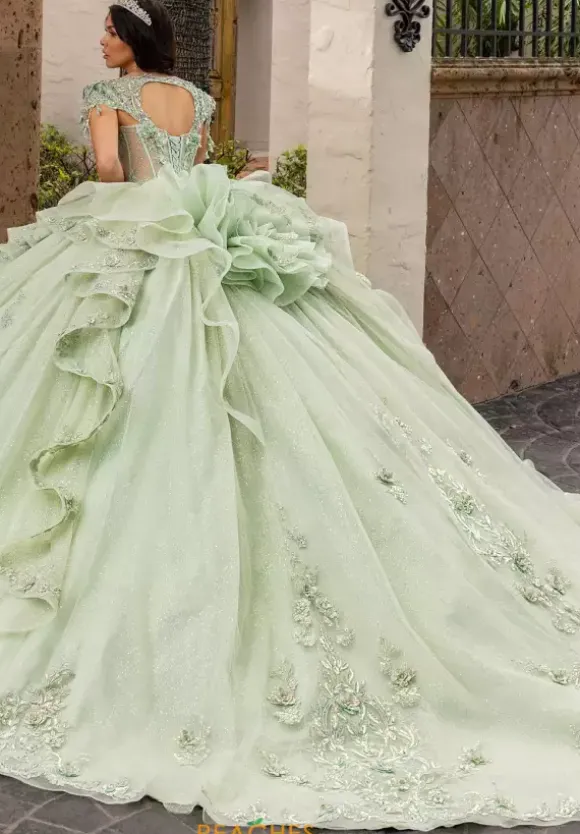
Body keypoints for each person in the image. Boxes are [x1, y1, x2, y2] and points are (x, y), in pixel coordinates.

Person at [1, 0, 580, 827]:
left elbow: (109, 175)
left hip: (144, 249)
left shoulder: (109, 96)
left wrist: (108, 193)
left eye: (109, 30)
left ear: (130, 42)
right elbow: (198, 169)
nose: (101, 41)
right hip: (207, 242)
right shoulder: (197, 100)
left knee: (104, 398)